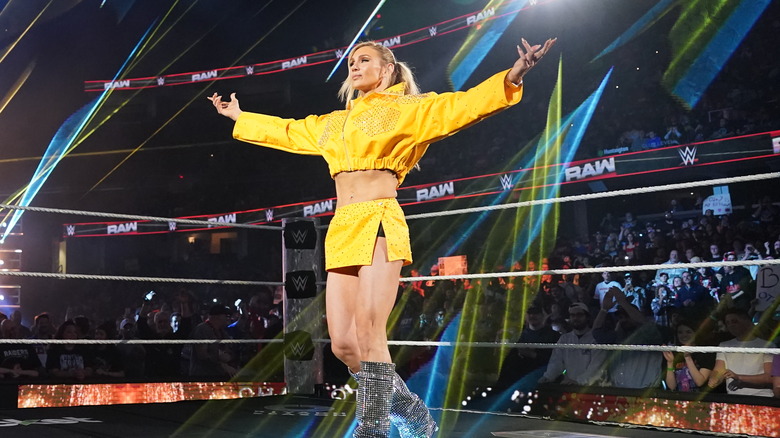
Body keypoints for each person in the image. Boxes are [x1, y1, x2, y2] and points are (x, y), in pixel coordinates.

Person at [209, 37, 556, 437]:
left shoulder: (407, 110)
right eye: (352, 62)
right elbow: (289, 131)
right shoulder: (335, 123)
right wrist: (240, 116)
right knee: (342, 345)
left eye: (365, 60)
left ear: (387, 70)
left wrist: (514, 74)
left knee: (371, 330)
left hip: (378, 219)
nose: (354, 66)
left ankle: (371, 429)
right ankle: (410, 410)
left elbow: (461, 106)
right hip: (342, 228)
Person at [706, 308, 774, 397]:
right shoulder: (724, 345)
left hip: (762, 398)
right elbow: (718, 370)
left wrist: (739, 377)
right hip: (735, 399)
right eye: (728, 323)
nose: (731, 325)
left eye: (734, 321)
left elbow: (770, 377)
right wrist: (714, 378)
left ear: (747, 321)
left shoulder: (767, 345)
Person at [538, 303, 607, 385]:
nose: (575, 318)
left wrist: (579, 381)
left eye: (579, 315)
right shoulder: (564, 339)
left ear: (587, 317)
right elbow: (556, 362)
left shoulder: (596, 339)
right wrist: (548, 377)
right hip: (569, 386)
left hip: (591, 388)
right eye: (572, 315)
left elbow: (596, 366)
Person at [663, 320, 715, 392]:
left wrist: (687, 357)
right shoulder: (675, 354)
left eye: (688, 332)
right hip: (680, 399)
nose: (684, 335)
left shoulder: (705, 353)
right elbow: (672, 386)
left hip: (700, 400)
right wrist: (670, 363)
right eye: (680, 332)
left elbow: (699, 382)